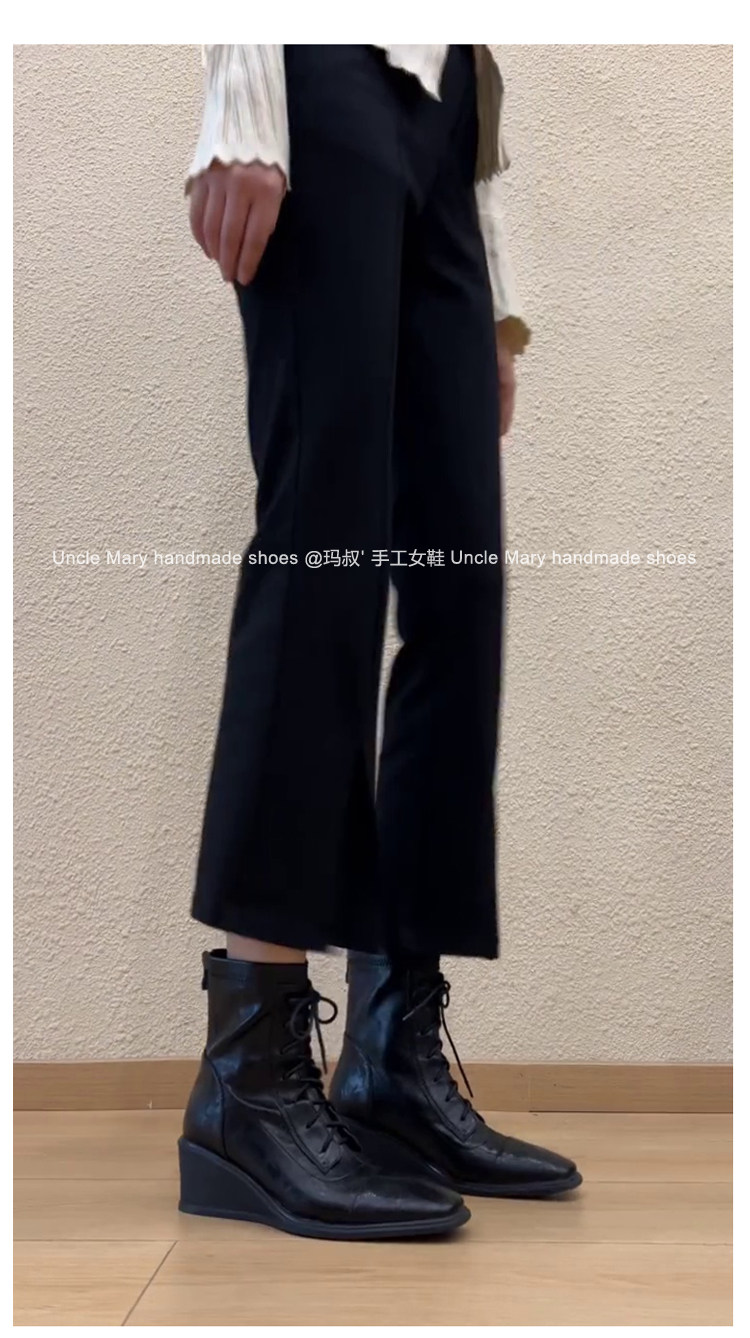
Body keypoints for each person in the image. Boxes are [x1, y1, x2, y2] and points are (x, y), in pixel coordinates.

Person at [179, 44, 581, 1242]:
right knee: (325, 549)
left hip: (443, 112)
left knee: (459, 589)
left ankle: (392, 1058)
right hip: (320, 68)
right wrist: (243, 106)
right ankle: (249, 1077)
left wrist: (493, 296)